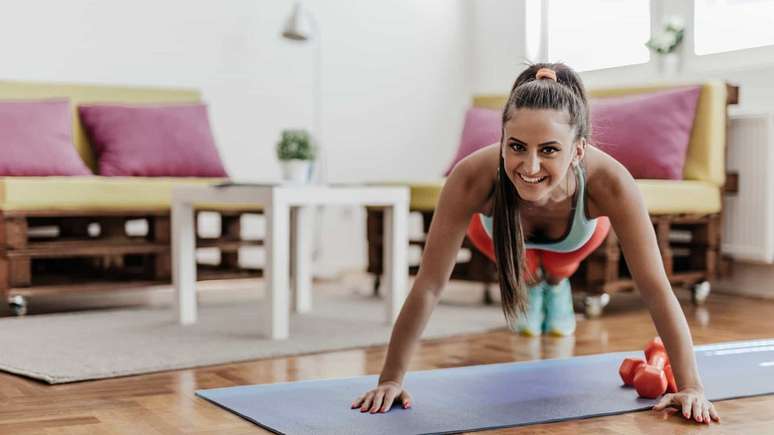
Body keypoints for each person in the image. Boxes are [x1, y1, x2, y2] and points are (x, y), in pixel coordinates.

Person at [351, 63, 720, 424]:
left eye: (549, 150)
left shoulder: (611, 182)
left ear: (577, 150)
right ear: (501, 142)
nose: (529, 166)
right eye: (516, 147)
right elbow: (429, 285)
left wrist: (692, 386)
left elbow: (655, 287)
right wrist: (390, 379)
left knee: (558, 268)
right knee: (526, 266)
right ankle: (535, 277)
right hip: (499, 237)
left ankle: (554, 281)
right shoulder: (470, 177)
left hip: (575, 242)